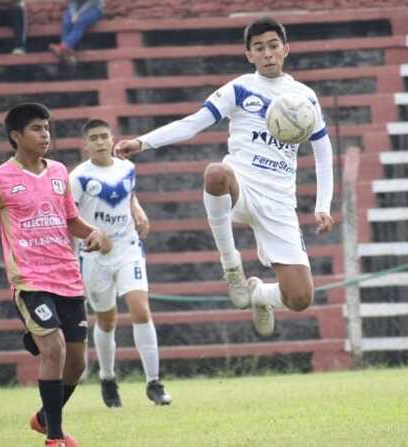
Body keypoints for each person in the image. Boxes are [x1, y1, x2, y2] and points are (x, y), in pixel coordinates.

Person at [114, 17, 335, 337]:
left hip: (279, 201)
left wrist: (322, 205)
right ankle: (231, 266)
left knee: (300, 298)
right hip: (240, 185)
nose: (267, 53)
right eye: (259, 48)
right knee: (216, 173)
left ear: (286, 49)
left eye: (273, 46)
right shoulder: (240, 87)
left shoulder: (304, 97)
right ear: (249, 55)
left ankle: (259, 294)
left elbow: (323, 150)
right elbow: (193, 123)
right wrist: (143, 142)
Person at [0, 103, 112, 447]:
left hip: (67, 278)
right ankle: (54, 437)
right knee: (54, 348)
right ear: (15, 136)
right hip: (30, 280)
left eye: (47, 127)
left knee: (77, 364)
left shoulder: (60, 172)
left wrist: (95, 233)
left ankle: (44, 417)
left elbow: (71, 221)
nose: (45, 134)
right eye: (36, 128)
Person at [70, 119, 172, 407]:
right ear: (86, 144)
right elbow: (69, 220)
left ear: (112, 138)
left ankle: (154, 382)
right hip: (94, 256)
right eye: (94, 138)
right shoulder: (77, 178)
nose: (101, 142)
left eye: (104, 136)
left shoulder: (126, 167)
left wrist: (138, 210)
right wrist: (78, 249)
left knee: (141, 309)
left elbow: (130, 195)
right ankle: (107, 377)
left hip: (127, 248)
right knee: (107, 319)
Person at [48, 0, 104, 65]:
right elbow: (72, 2)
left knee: (80, 21)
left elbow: (91, 3)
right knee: (66, 22)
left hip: (94, 8)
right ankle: (67, 52)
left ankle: (63, 47)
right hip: (76, 9)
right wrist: (73, 14)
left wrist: (78, 14)